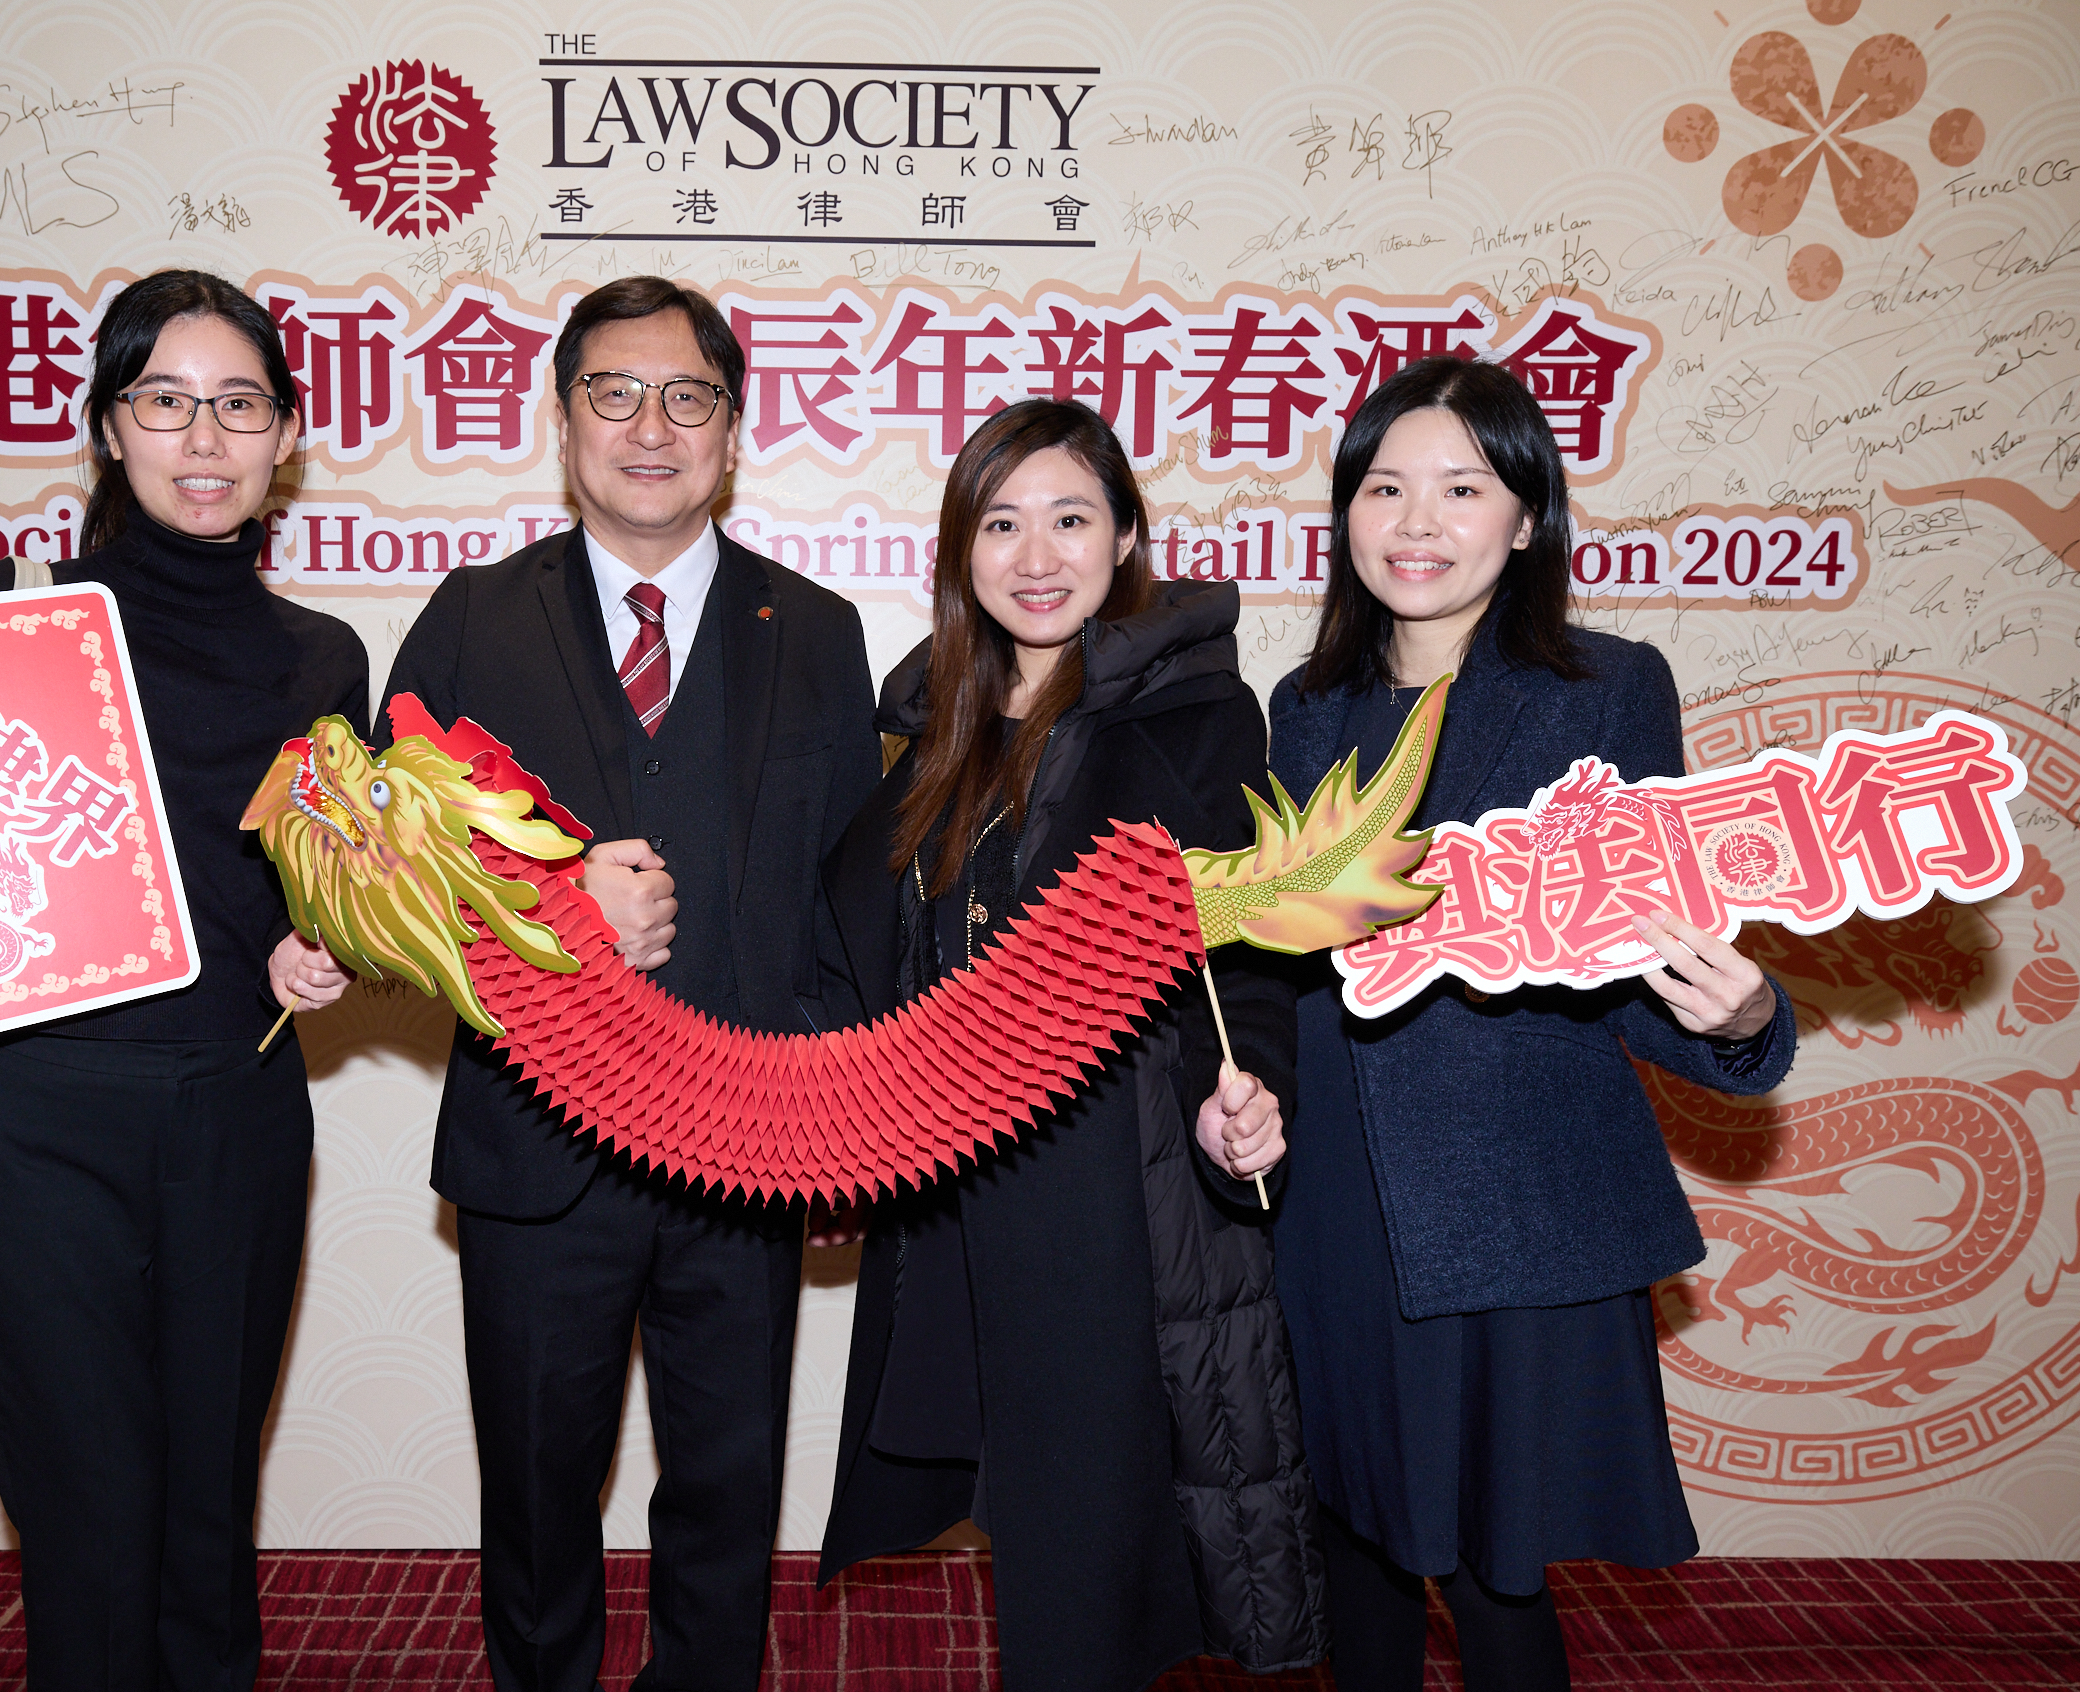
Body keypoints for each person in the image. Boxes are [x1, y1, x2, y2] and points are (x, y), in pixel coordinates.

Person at [0, 269, 371, 1690]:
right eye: (164, 403)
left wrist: (318, 944)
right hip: (43, 1117)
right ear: (108, 428)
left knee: (208, 1492)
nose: (203, 440)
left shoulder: (322, 658)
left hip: (238, 1111)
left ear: (285, 438)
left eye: (239, 406)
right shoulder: (8, 615)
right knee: (83, 1500)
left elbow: (319, 885)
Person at [381, 275, 882, 1692]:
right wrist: (552, 904)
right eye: (613, 392)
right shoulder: (473, 618)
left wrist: (835, 1131)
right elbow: (385, 871)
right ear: (563, 420)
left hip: (746, 1149)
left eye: (687, 397)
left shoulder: (817, 630)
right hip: (537, 1149)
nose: (649, 427)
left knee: (727, 1490)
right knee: (537, 1490)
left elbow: (847, 909)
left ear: (732, 426)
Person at [1266, 356, 1797, 1692]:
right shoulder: (1303, 708)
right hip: (1332, 1204)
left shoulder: (1601, 690)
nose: (1417, 522)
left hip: (1516, 1203)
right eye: (1384, 488)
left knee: (1494, 1569)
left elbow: (1642, 959)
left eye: (1462, 489)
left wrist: (1740, 1017)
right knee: (1349, 1546)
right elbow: (1277, 972)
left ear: (1524, 520)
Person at [815, 399, 1326, 1692]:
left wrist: (1242, 1090)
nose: (1035, 557)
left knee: (1084, 1555)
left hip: (1099, 1188)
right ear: (961, 550)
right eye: (1001, 524)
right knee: (1004, 1510)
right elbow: (880, 946)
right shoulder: (930, 725)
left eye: (1069, 520)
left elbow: (1245, 950)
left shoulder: (1195, 714)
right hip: (949, 1194)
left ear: (1126, 538)